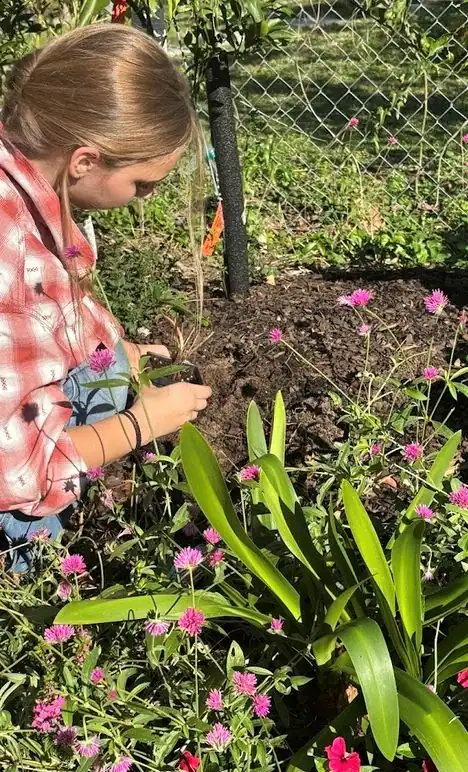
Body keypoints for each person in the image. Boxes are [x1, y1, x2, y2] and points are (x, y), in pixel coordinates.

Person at [0, 23, 212, 572]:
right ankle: (34, 581)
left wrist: (114, 358)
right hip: (13, 495)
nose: (146, 200)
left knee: (112, 360)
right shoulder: (13, 258)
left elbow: (59, 312)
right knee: (32, 537)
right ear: (85, 161)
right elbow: (24, 473)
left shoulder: (26, 179)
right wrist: (143, 423)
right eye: (143, 186)